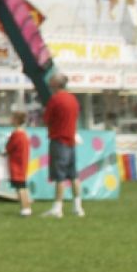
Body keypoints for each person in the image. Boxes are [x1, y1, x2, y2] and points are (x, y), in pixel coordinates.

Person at [42, 71, 83, 218]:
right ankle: (78, 206)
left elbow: (46, 119)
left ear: (55, 84)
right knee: (73, 175)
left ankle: (57, 207)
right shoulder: (73, 99)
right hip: (71, 140)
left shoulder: (55, 100)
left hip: (59, 140)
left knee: (59, 176)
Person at [5, 107, 32, 216]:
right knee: (23, 186)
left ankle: (24, 208)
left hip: (16, 164)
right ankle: (27, 207)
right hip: (22, 163)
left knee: (20, 187)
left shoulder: (16, 134)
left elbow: (9, 147)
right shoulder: (24, 134)